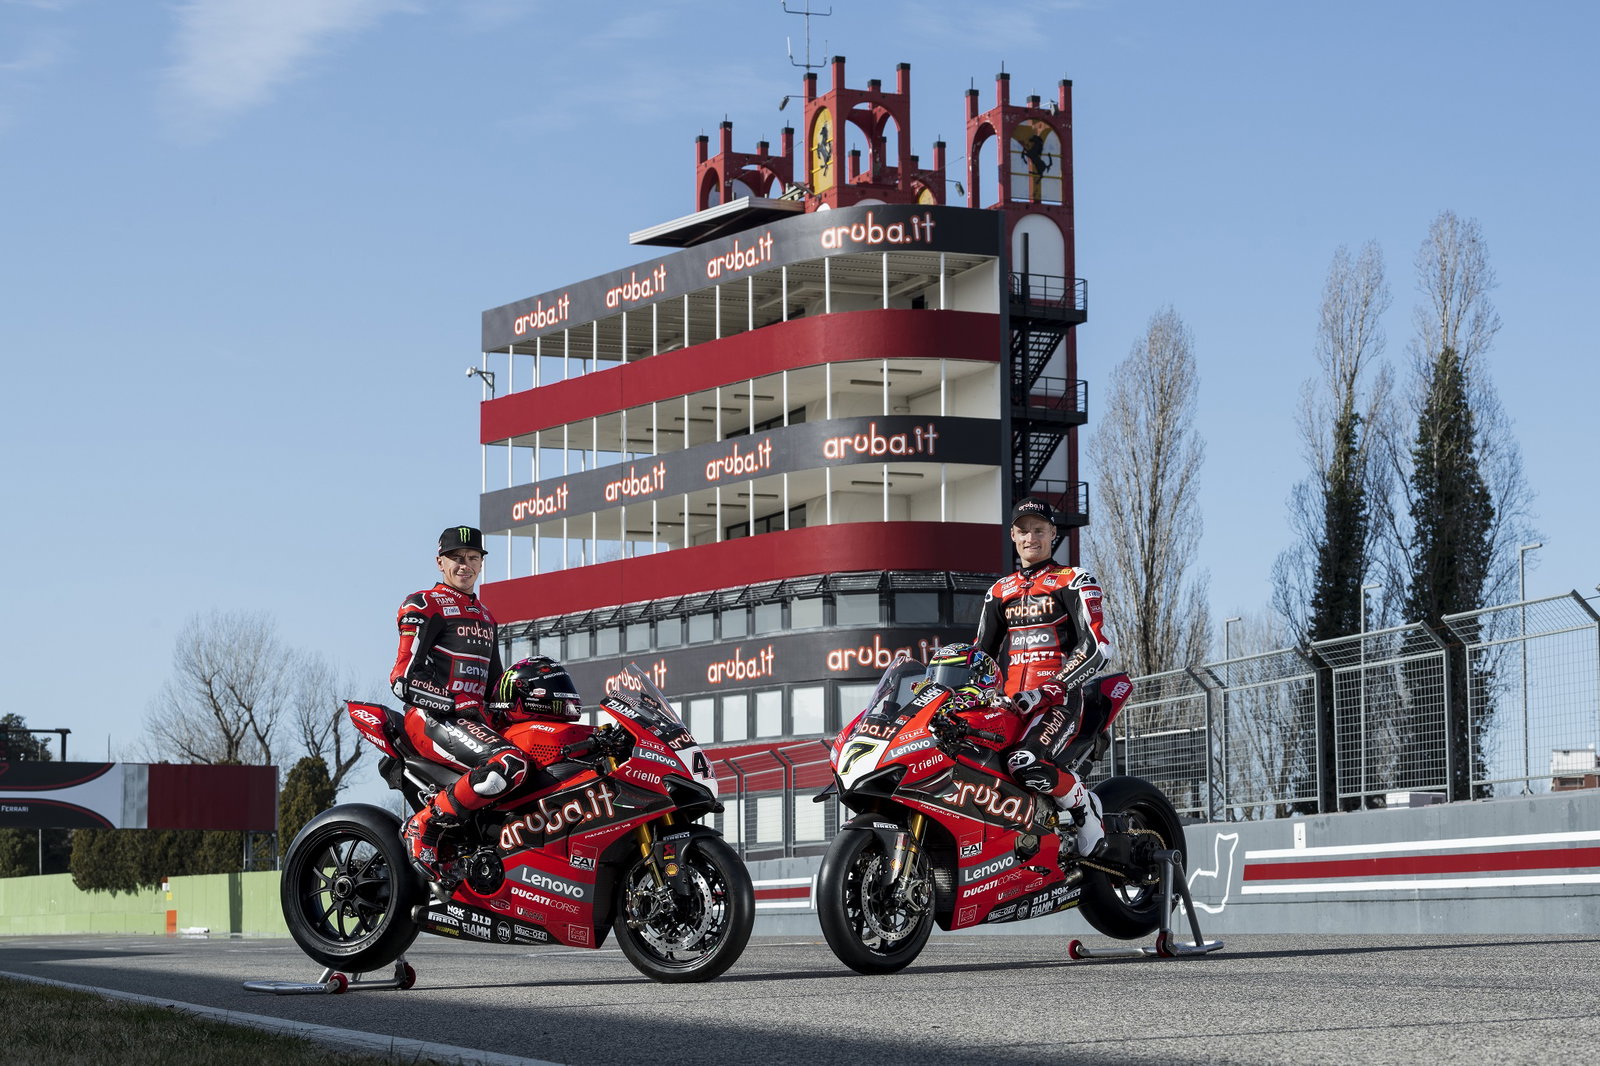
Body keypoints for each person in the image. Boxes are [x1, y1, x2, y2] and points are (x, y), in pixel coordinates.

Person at [973, 497, 1115, 858]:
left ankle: (1086, 812)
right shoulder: (998, 591)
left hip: (1060, 700)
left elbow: (1097, 645)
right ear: (1012, 536)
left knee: (1026, 761)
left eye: (1039, 529)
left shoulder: (1074, 580)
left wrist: (1052, 689)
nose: (1031, 537)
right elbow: (980, 655)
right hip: (1008, 704)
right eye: (1023, 530)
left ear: (1053, 533)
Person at [391, 526, 529, 883]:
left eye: (472, 558)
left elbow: (496, 687)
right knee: (508, 763)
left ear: (481, 564)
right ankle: (423, 825)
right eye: (456, 558)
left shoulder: (486, 616)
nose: (464, 565)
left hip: (472, 724)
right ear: (440, 562)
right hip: (430, 717)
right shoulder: (424, 604)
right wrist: (453, 703)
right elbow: (402, 678)